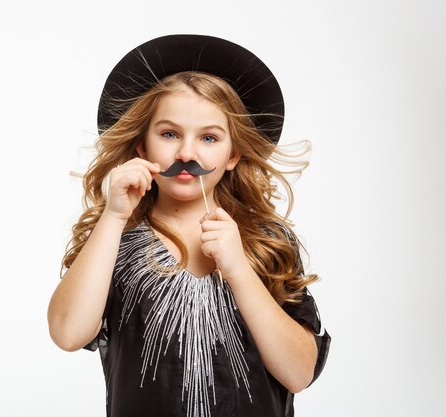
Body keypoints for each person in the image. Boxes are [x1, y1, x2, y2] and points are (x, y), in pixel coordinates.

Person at [47, 34, 331, 417]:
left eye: (209, 138)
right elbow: (67, 333)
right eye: (169, 134)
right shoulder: (115, 241)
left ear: (233, 155)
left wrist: (239, 270)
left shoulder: (266, 242)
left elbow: (299, 373)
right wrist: (113, 218)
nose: (186, 153)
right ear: (142, 148)